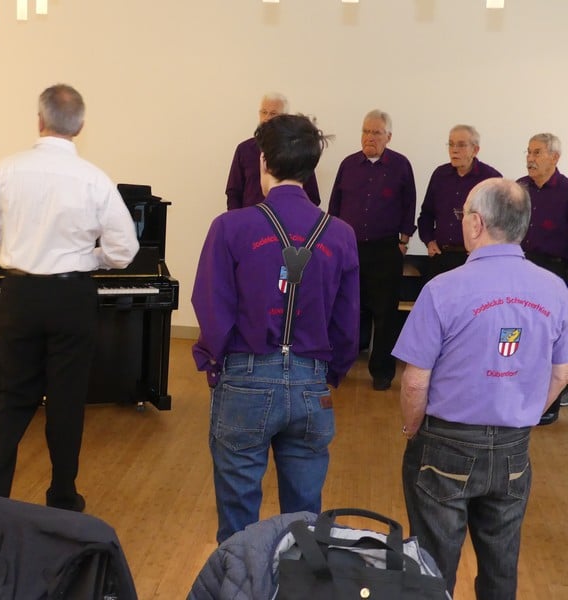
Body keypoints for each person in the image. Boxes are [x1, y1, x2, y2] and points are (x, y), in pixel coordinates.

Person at [392, 178, 568, 599]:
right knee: (501, 564)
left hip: (445, 442)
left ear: (476, 223)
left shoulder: (442, 289)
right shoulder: (555, 289)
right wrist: (523, 416)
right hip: (514, 448)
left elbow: (415, 380)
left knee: (432, 567)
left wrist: (413, 429)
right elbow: (561, 374)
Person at [0, 84, 139, 511]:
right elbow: (124, 250)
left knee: (12, 397)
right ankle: (62, 496)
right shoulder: (94, 179)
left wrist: (21, 241)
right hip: (71, 296)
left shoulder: (7, 168)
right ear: (80, 126)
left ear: (39, 120)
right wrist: (91, 256)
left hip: (20, 293)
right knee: (66, 400)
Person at [192, 114, 360, 544]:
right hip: (312, 383)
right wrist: (330, 372)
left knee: (237, 520)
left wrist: (214, 363)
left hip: (245, 378)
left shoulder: (230, 226)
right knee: (305, 522)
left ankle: (238, 576)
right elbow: (347, 322)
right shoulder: (340, 234)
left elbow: (211, 306)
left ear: (263, 161)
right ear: (312, 166)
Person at [329, 109, 416, 391]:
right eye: (366, 131)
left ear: (388, 137)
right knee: (348, 309)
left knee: (385, 314)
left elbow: (409, 205)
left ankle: (382, 372)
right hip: (350, 249)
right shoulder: (348, 164)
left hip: (385, 250)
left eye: (376, 132)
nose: (369, 137)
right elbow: (334, 205)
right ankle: (341, 365)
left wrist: (403, 241)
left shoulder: (401, 166)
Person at [517, 133, 568, 424]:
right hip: (521, 269)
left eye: (537, 152)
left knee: (549, 339)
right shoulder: (519, 188)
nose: (530, 158)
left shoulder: (566, 191)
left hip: (554, 272)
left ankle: (547, 405)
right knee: (520, 334)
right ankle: (518, 397)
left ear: (555, 157)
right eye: (528, 152)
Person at [417, 125, 502, 278]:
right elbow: (426, 214)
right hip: (441, 256)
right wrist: (429, 241)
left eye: (461, 145)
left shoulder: (491, 179)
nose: (454, 150)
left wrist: (484, 247)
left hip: (475, 259)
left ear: (475, 150)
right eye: (451, 144)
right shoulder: (440, 175)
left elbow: (500, 222)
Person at [225, 93, 321, 210]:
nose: (267, 118)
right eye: (264, 112)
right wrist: (237, 218)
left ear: (284, 117)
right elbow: (233, 192)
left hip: (288, 218)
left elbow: (312, 196)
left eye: (273, 113)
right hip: (250, 219)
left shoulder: (297, 150)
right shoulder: (244, 149)